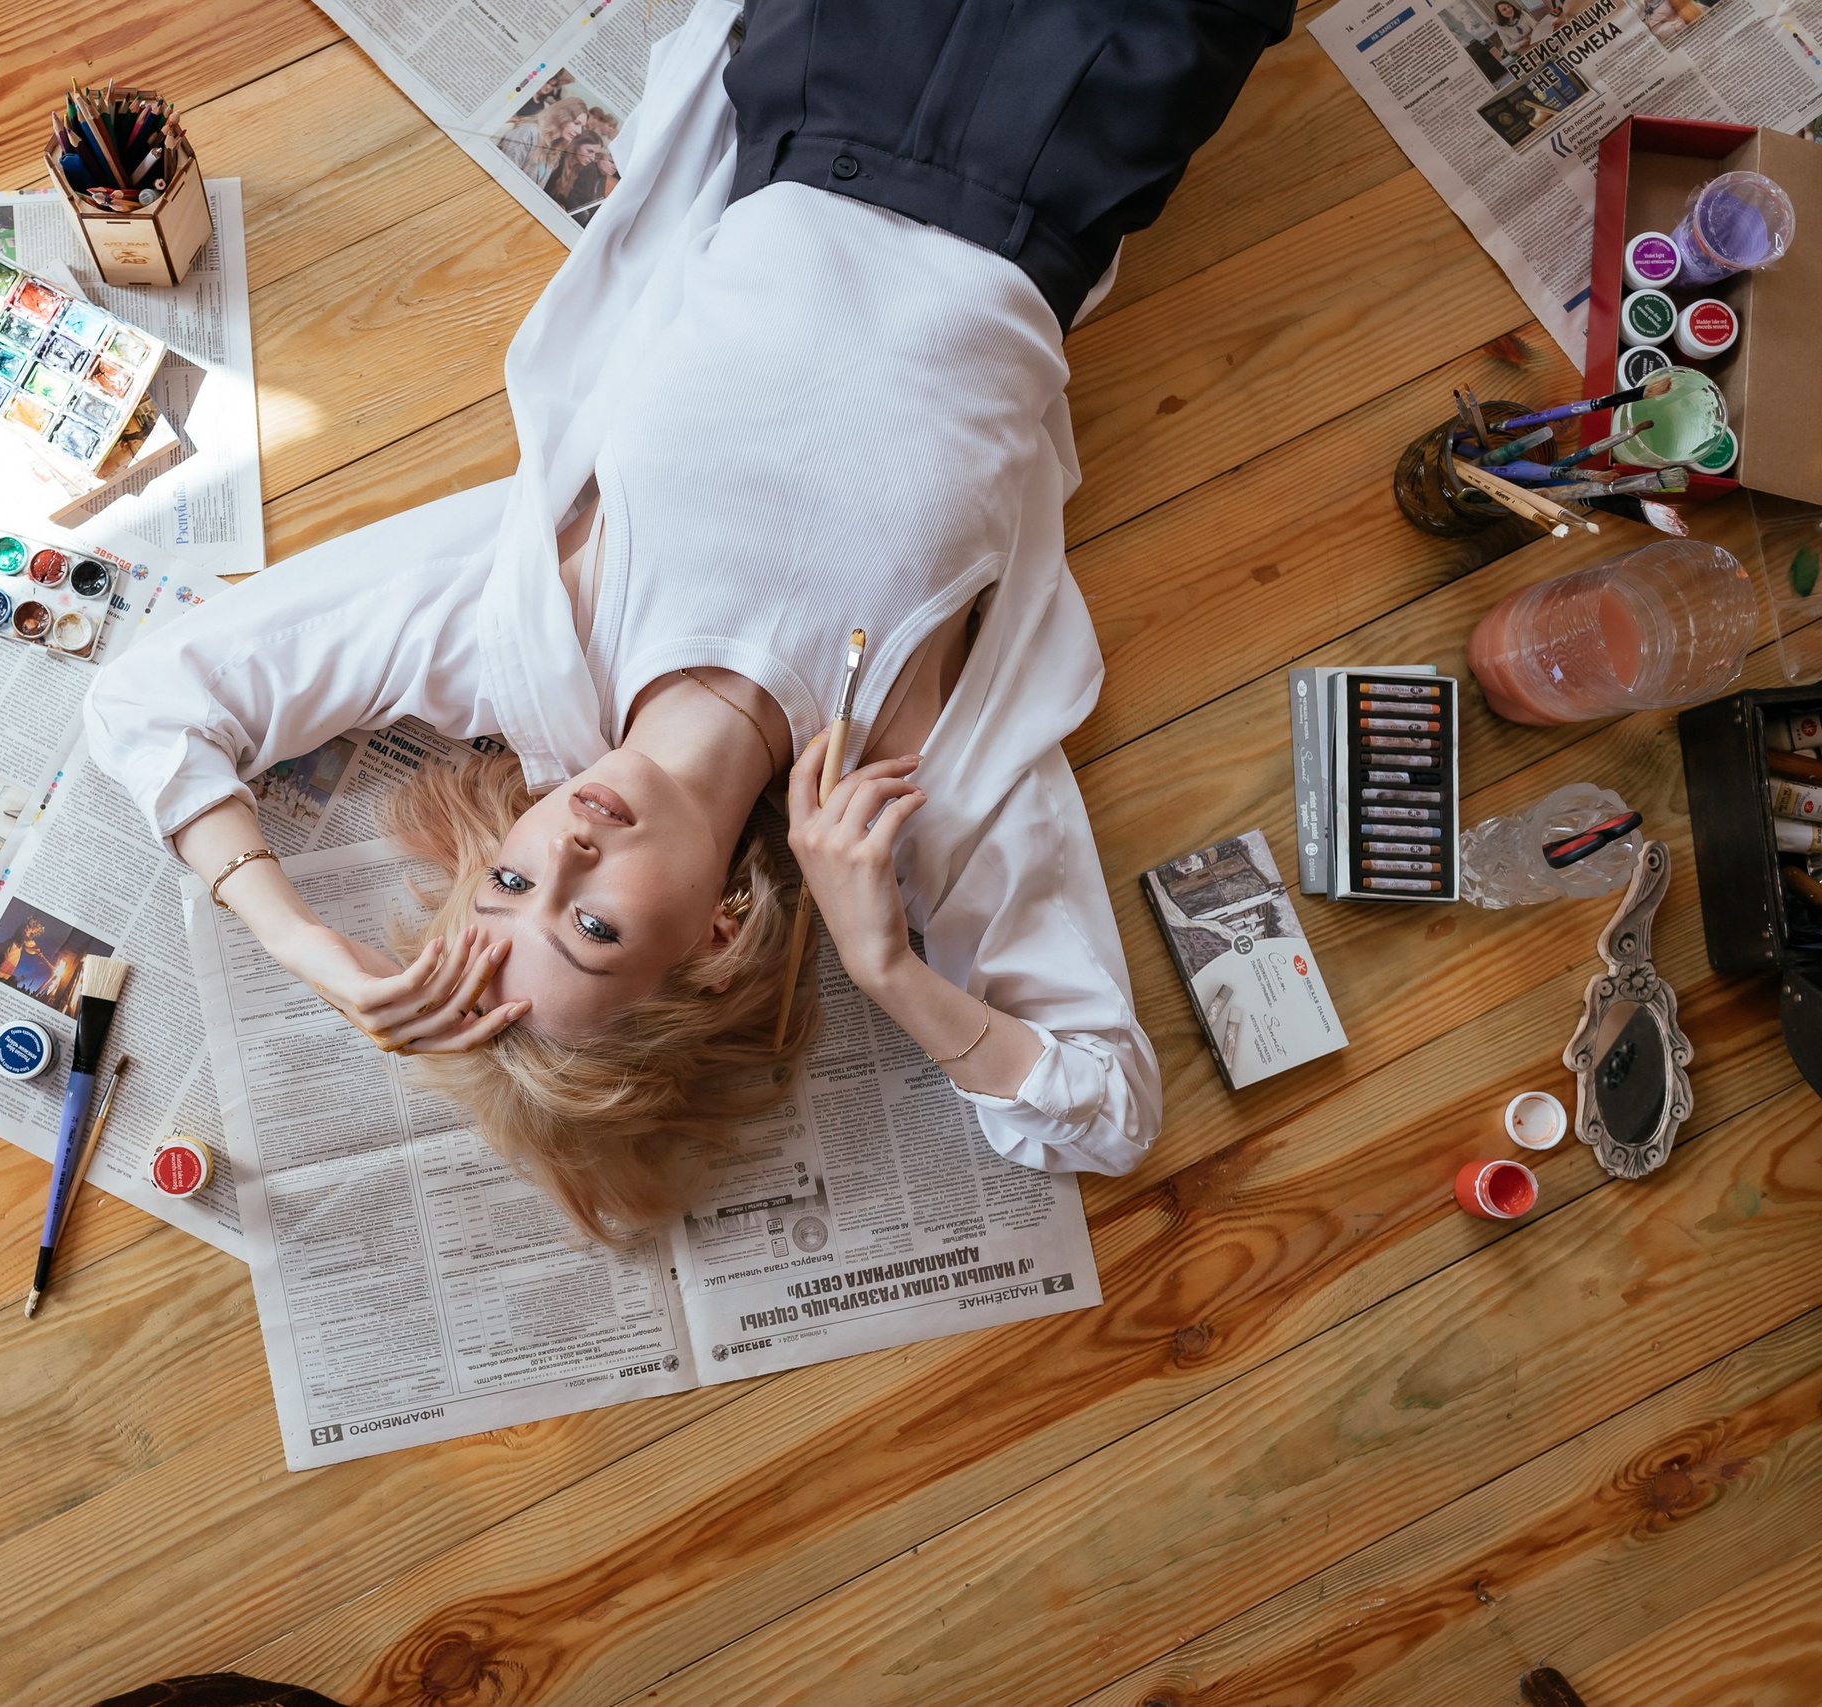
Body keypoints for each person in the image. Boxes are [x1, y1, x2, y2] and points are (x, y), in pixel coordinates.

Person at [87, 0, 1289, 1239]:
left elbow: (151, 700)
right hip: (1067, 132)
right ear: (716, 941)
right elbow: (1102, 1114)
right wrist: (888, 967)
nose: (566, 849)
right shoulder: (902, 782)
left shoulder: (527, 633)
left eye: (508, 879)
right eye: (594, 925)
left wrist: (306, 947)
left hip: (828, 80)